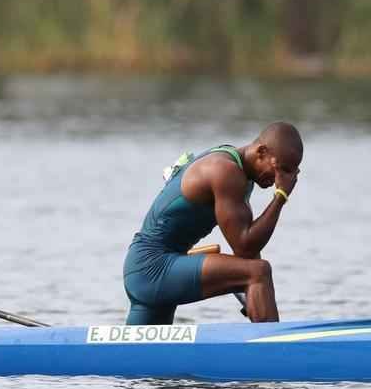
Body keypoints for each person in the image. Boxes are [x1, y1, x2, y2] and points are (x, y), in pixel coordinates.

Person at [123, 122, 304, 324]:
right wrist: (280, 197)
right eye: (282, 170)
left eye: (291, 174)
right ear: (261, 152)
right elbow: (244, 247)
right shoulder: (225, 171)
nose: (283, 179)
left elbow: (249, 253)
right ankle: (272, 351)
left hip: (153, 268)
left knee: (140, 355)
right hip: (152, 267)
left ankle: (266, 344)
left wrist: (255, 297)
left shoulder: (239, 170)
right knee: (259, 272)